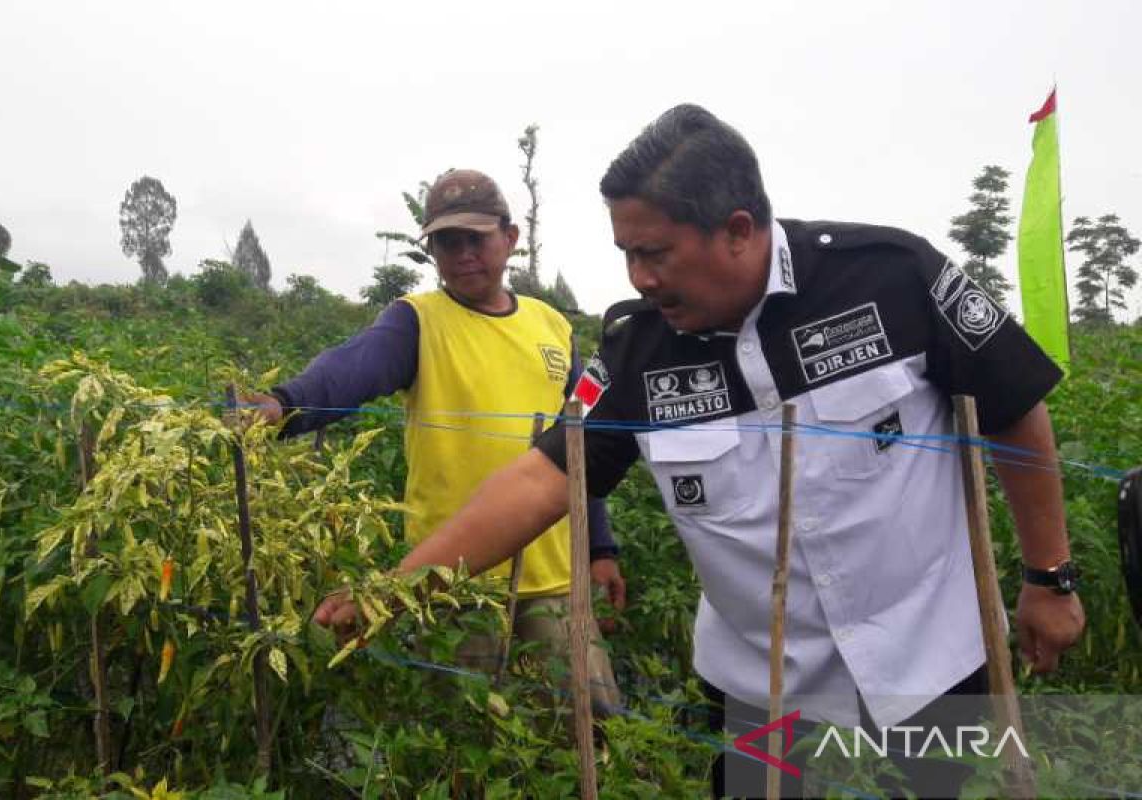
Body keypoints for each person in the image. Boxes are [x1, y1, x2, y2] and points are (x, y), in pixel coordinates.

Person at [314, 107, 1085, 796]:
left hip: (930, 663)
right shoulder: (634, 353)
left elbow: (1014, 404)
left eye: (656, 253)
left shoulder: (893, 279)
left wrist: (1048, 576)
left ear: (738, 230)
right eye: (625, 254)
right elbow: (545, 477)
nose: (639, 278)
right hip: (763, 691)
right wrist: (397, 588)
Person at [252, 168, 623, 710]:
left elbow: (584, 443)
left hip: (555, 578)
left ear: (510, 237)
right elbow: (352, 369)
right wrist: (283, 404)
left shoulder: (553, 327)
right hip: (450, 583)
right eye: (448, 242)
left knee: (585, 727)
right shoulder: (417, 321)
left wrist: (602, 548)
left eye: (477, 238)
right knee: (464, 739)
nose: (464, 253)